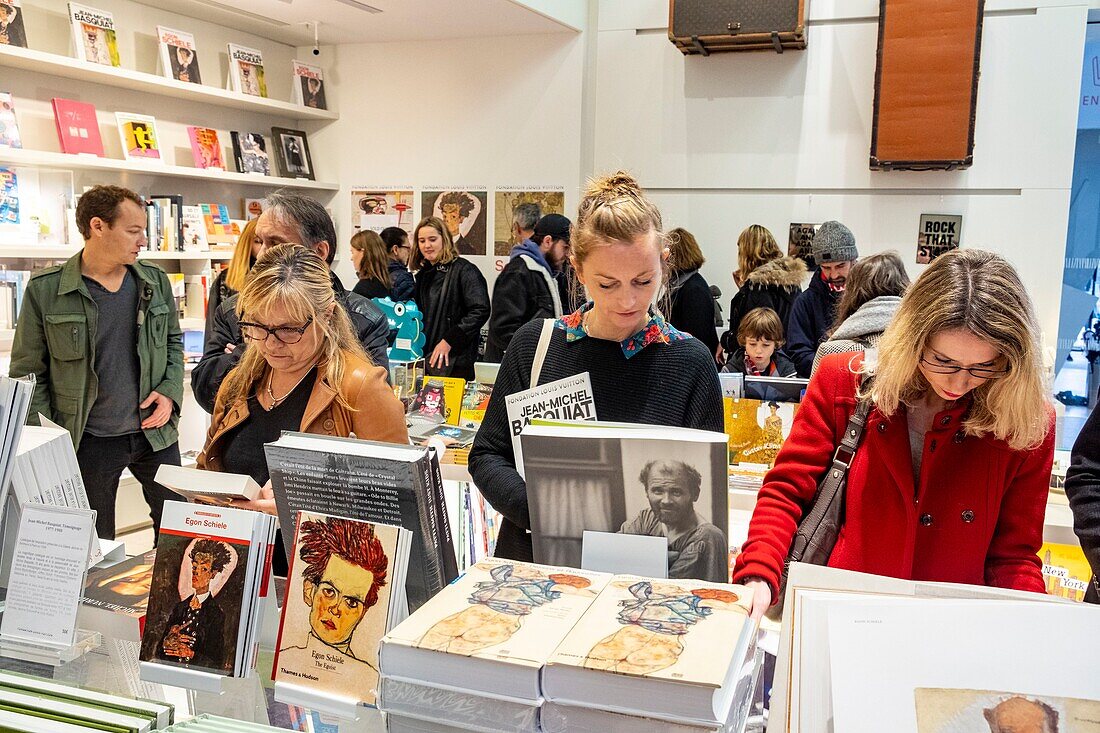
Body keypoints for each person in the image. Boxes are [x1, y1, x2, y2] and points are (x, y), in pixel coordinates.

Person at [732, 249, 1055, 619]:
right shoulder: (846, 381)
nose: (959, 382)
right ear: (911, 339)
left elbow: (1014, 554)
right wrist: (759, 569)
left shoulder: (1025, 420)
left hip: (952, 625)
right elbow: (787, 489)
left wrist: (1034, 624)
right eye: (943, 360)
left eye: (985, 366)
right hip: (842, 612)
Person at [468, 172, 723, 562]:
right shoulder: (536, 345)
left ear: (664, 263)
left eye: (643, 280)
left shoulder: (689, 362)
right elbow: (487, 455)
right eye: (607, 284)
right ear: (578, 269)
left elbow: (707, 480)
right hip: (537, 562)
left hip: (646, 575)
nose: (627, 300)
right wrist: (549, 514)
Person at [197, 244, 408, 573]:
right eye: (256, 327)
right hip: (237, 570)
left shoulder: (360, 387)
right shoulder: (239, 382)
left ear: (326, 315)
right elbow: (208, 468)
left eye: (288, 329)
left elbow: (398, 511)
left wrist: (296, 510)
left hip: (319, 580)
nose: (270, 343)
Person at [10, 185, 182, 540]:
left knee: (179, 536)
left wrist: (169, 392)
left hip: (156, 434)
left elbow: (173, 343)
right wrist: (50, 439)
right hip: (88, 440)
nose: (143, 240)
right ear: (98, 226)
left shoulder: (154, 281)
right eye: (133, 231)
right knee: (93, 545)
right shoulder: (46, 290)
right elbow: (27, 373)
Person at [192, 190, 391, 414]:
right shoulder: (233, 310)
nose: (262, 255)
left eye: (276, 243)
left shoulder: (364, 317)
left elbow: (372, 406)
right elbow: (206, 392)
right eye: (259, 242)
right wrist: (252, 349)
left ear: (319, 252)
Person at [276, 515, 388, 683]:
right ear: (309, 591)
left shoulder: (369, 680)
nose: (335, 609)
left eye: (351, 602)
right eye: (329, 592)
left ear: (362, 613)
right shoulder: (285, 662)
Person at [619, 460, 727, 581]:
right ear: (647, 492)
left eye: (676, 492)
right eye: (657, 491)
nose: (666, 501)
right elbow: (613, 560)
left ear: (695, 494)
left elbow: (668, 589)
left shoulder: (708, 538)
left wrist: (644, 559)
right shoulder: (645, 519)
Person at [484, 213, 571, 362]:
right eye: (565, 247)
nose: (568, 254)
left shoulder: (548, 272)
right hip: (517, 367)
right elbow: (503, 330)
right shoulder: (518, 272)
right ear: (548, 241)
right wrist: (532, 357)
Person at [411, 216, 490, 380]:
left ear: (444, 239)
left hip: (456, 362)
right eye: (422, 240)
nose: (427, 245)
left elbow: (480, 309)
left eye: (432, 239)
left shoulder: (465, 270)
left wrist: (449, 340)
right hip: (427, 360)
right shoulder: (422, 276)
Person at [811, 250, 910, 376]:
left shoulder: (831, 352)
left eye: (840, 266)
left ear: (852, 293)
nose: (834, 275)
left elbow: (814, 394)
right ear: (905, 286)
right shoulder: (923, 348)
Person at [786, 220, 859, 377]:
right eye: (826, 268)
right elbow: (799, 353)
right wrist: (835, 372)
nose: (833, 275)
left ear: (853, 261)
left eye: (840, 266)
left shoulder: (869, 296)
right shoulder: (804, 302)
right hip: (821, 386)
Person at [719, 225, 805, 358]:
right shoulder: (791, 283)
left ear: (746, 254)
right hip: (785, 360)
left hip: (760, 363)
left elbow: (755, 335)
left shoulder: (758, 288)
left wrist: (726, 341)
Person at [157, 539, 231, 670]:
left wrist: (191, 654)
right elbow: (158, 653)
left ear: (212, 575)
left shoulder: (216, 614)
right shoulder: (180, 608)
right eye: (194, 567)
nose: (196, 572)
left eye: (204, 568)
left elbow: (216, 661)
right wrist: (166, 643)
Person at [665, 228, 720, 361]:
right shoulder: (681, 285)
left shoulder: (694, 289)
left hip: (692, 363)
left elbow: (696, 337)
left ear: (674, 256)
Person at [205, 218, 260, 341]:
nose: (264, 248)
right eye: (258, 241)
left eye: (273, 242)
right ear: (247, 244)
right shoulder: (225, 280)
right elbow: (212, 335)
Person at [721, 307, 797, 377]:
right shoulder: (729, 372)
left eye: (766, 345)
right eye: (752, 344)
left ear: (776, 344)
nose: (758, 351)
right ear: (744, 341)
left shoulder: (787, 371)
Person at [349, 230, 393, 299]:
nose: (351, 258)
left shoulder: (362, 291)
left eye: (352, 252)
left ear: (362, 253)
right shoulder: (386, 284)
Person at [379, 227, 415, 301]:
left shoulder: (374, 273)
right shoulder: (403, 278)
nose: (409, 252)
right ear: (395, 249)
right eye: (407, 248)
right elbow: (409, 310)